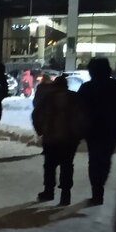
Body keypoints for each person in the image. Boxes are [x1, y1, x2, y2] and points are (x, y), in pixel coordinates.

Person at [31, 74, 86, 206]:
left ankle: (49, 191)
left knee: (50, 166)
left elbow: (37, 114)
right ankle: (65, 194)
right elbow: (83, 115)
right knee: (67, 165)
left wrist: (40, 131)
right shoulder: (75, 97)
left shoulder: (48, 98)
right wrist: (80, 133)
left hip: (51, 137)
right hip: (70, 138)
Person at [77, 57, 116, 206]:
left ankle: (97, 191)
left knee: (94, 159)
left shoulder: (87, 88)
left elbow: (79, 110)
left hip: (93, 130)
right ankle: (99, 185)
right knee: (105, 158)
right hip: (112, 128)